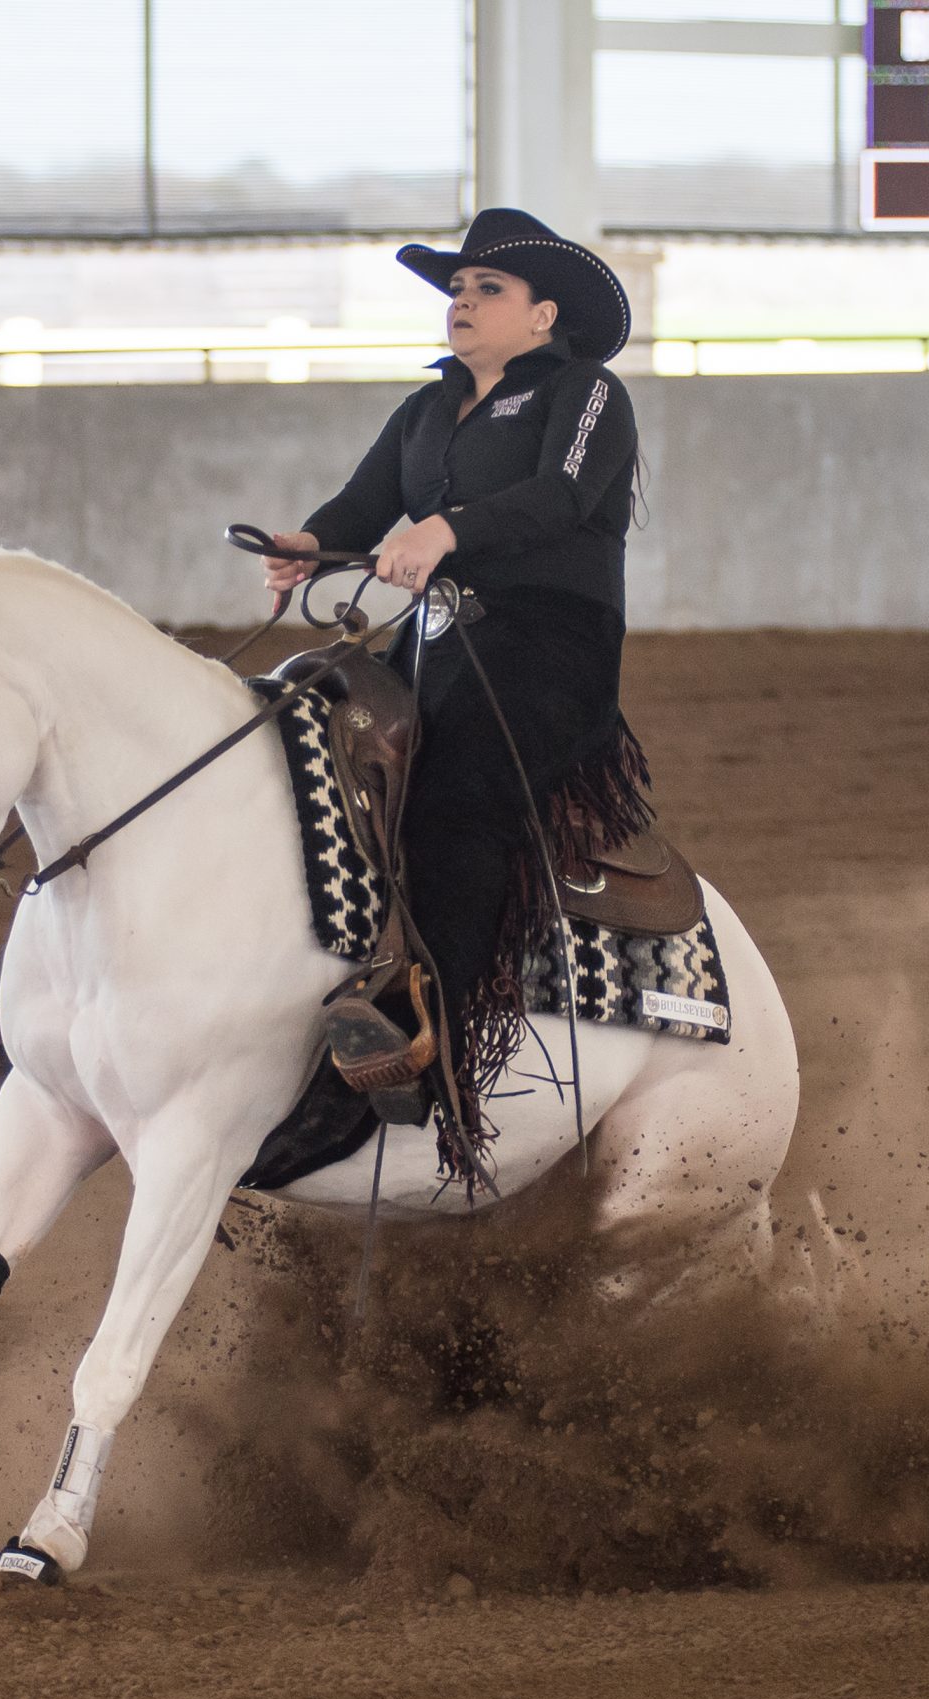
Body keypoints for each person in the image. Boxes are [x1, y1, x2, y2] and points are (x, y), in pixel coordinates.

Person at [260, 207, 648, 1139]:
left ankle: (420, 1055)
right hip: (436, 644)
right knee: (295, 739)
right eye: (458, 289)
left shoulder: (585, 391)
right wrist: (308, 545)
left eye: (488, 290)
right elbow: (361, 505)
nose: (461, 303)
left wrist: (446, 531)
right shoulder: (426, 409)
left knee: (459, 798)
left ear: (544, 316)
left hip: (550, 645)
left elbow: (562, 495)